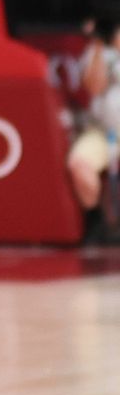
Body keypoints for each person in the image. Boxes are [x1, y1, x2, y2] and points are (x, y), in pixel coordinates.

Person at [67, 13, 118, 237]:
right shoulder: (101, 54)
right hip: (104, 134)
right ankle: (96, 221)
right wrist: (98, 43)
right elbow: (94, 87)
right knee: (80, 164)